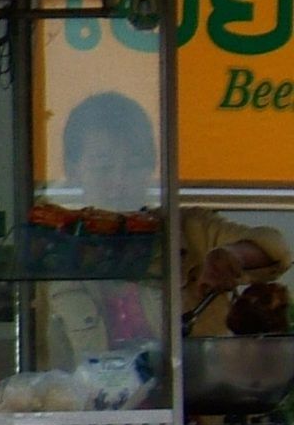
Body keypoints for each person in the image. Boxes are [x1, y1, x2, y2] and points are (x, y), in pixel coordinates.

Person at [49, 90, 289, 361]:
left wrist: (230, 256)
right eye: (104, 167)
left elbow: (275, 248)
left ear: (152, 166)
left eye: (133, 166)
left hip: (195, 400)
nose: (119, 180)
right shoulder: (53, 252)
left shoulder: (189, 228)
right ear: (73, 169)